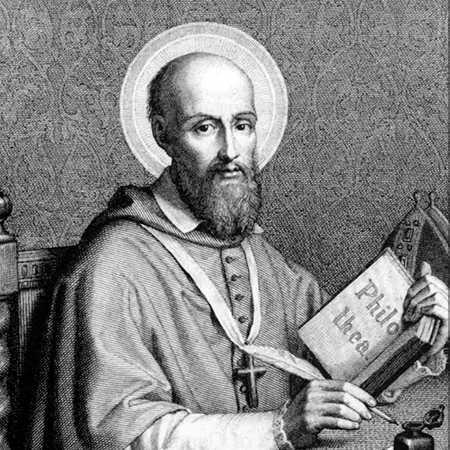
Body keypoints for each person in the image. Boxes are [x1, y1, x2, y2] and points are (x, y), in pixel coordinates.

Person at [24, 31, 448, 450]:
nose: (230, 151)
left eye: (242, 126)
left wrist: (413, 333)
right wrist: (279, 428)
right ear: (162, 134)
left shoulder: (256, 253)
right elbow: (120, 433)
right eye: (204, 127)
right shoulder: (113, 265)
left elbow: (339, 376)